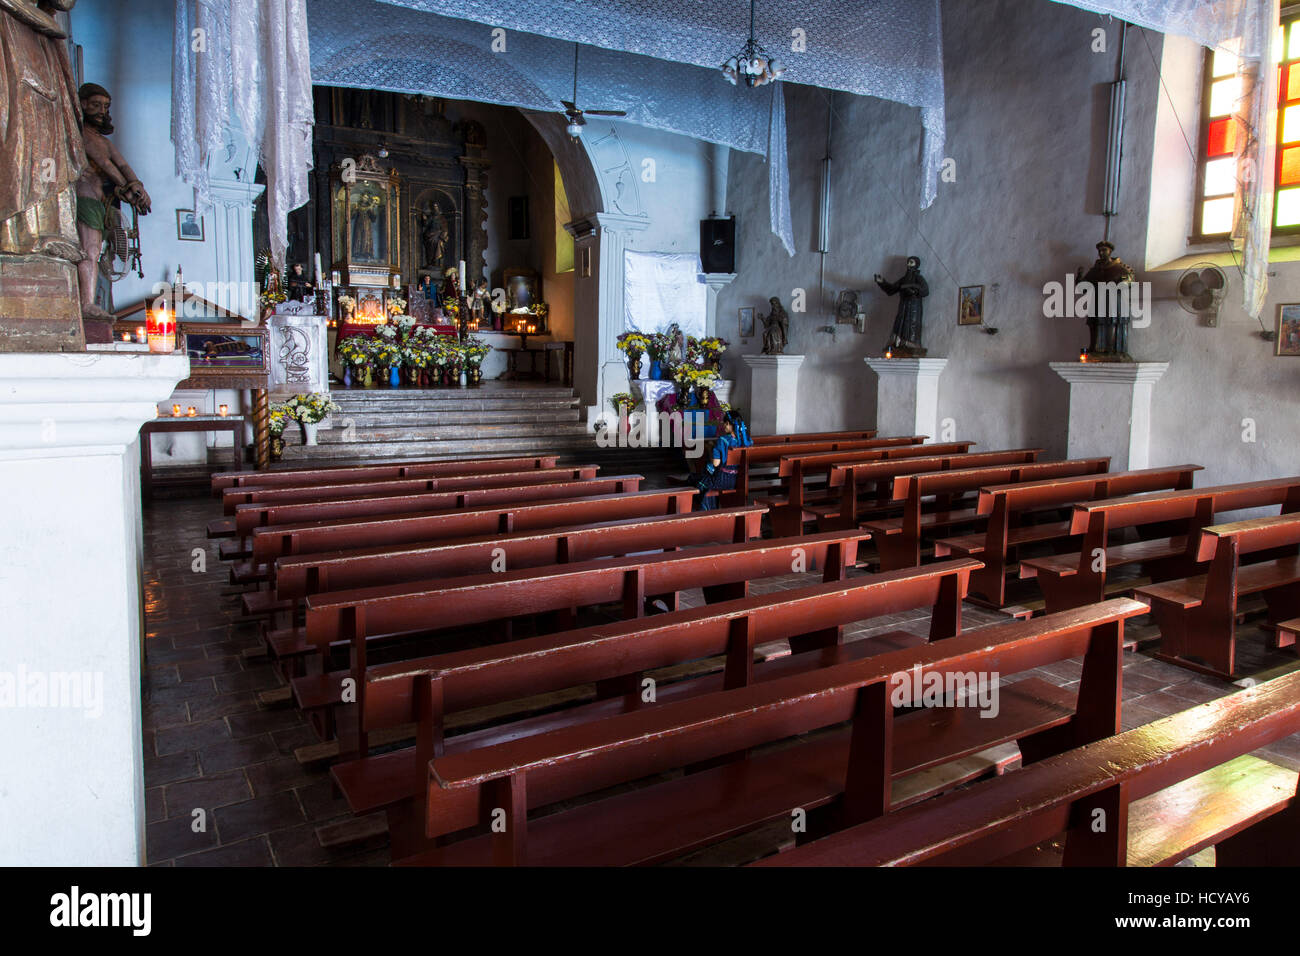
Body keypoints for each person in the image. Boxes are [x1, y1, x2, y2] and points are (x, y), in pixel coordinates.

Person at [695, 409, 753, 511]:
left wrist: (710, 449)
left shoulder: (723, 440)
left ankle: (706, 509)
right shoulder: (747, 440)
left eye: (724, 423)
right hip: (740, 479)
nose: (723, 426)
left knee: (700, 480)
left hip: (723, 480)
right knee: (706, 481)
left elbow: (716, 464)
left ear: (728, 423)